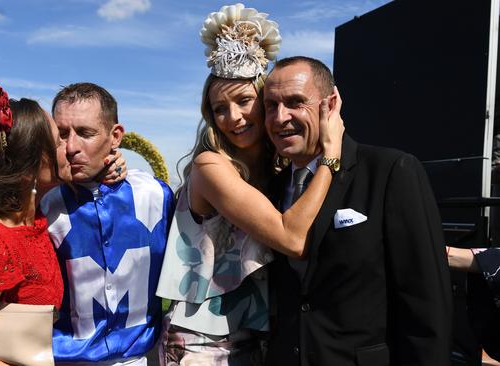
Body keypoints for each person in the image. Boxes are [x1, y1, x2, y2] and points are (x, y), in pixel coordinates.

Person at [155, 4, 344, 365]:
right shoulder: (210, 166)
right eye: (219, 109)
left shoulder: (280, 171)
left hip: (259, 337)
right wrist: (330, 157)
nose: (233, 118)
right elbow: (292, 239)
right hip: (201, 341)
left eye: (243, 101)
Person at [264, 56, 453, 365]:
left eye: (295, 102)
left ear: (332, 103)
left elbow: (426, 304)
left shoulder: (390, 171)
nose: (280, 117)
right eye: (271, 106)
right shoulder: (269, 191)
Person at [0, 86, 125, 366]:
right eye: (59, 140)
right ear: (28, 165)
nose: (72, 148)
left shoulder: (34, 219)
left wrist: (111, 162)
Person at [40, 82, 175, 365]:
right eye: (62, 134)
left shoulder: (157, 195)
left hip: (143, 358)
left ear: (115, 137)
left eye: (86, 133)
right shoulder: (43, 204)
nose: (72, 147)